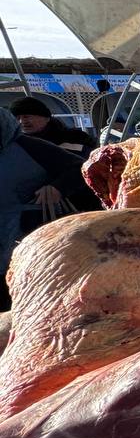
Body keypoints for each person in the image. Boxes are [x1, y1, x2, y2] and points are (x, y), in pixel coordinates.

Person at [0, 107, 97, 309]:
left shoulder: (29, 146)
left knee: (30, 300)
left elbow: (82, 168)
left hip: (29, 236)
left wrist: (57, 187)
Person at [9, 97, 94, 156]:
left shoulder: (77, 138)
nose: (22, 121)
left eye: (27, 116)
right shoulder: (15, 146)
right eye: (17, 118)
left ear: (46, 117)